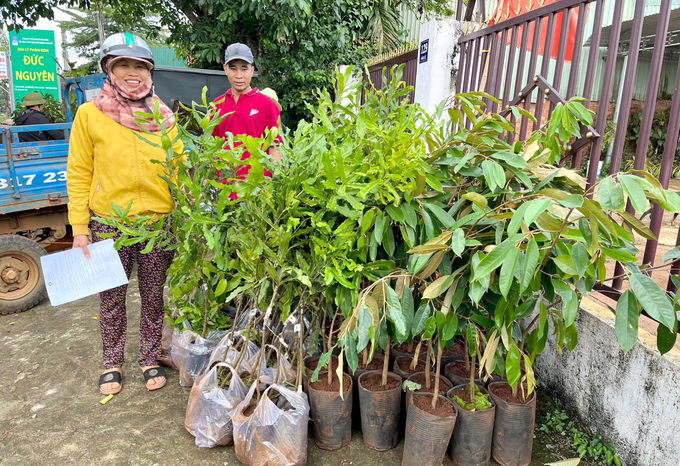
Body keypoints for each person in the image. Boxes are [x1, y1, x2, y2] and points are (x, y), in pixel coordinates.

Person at [67, 33, 183, 395]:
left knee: (153, 296)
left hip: (156, 224)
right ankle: (111, 362)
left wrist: (185, 214)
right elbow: (79, 172)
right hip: (109, 222)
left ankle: (148, 357)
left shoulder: (164, 116)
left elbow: (177, 169)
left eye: (139, 66)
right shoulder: (90, 115)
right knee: (112, 297)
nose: (133, 73)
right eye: (123, 65)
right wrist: (80, 227)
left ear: (149, 72)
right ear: (109, 70)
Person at [212, 43, 281, 182]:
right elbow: (212, 149)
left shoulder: (267, 105)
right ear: (225, 69)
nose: (239, 75)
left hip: (257, 192)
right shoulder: (217, 106)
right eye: (233, 69)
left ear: (252, 70)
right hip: (224, 191)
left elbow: (275, 147)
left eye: (244, 69)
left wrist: (276, 185)